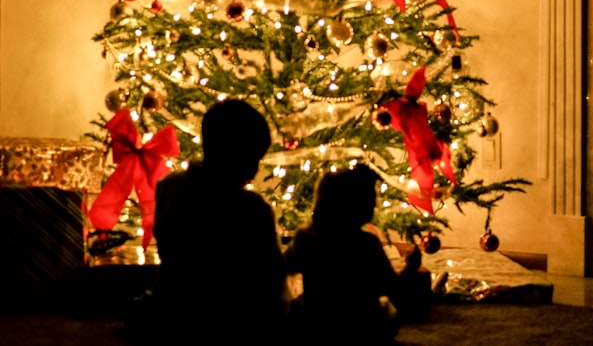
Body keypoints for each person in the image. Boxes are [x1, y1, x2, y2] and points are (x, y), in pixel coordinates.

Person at [133, 99, 288, 346]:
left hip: (170, 305)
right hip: (226, 319)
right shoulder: (253, 209)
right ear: (237, 156)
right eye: (253, 159)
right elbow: (271, 277)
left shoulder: (169, 187)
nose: (257, 170)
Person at [285, 164, 423, 343]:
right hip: (361, 326)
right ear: (357, 204)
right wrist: (410, 266)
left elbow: (284, 267)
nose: (375, 204)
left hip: (318, 324)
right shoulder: (366, 243)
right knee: (389, 312)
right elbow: (393, 289)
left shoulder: (305, 238)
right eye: (371, 199)